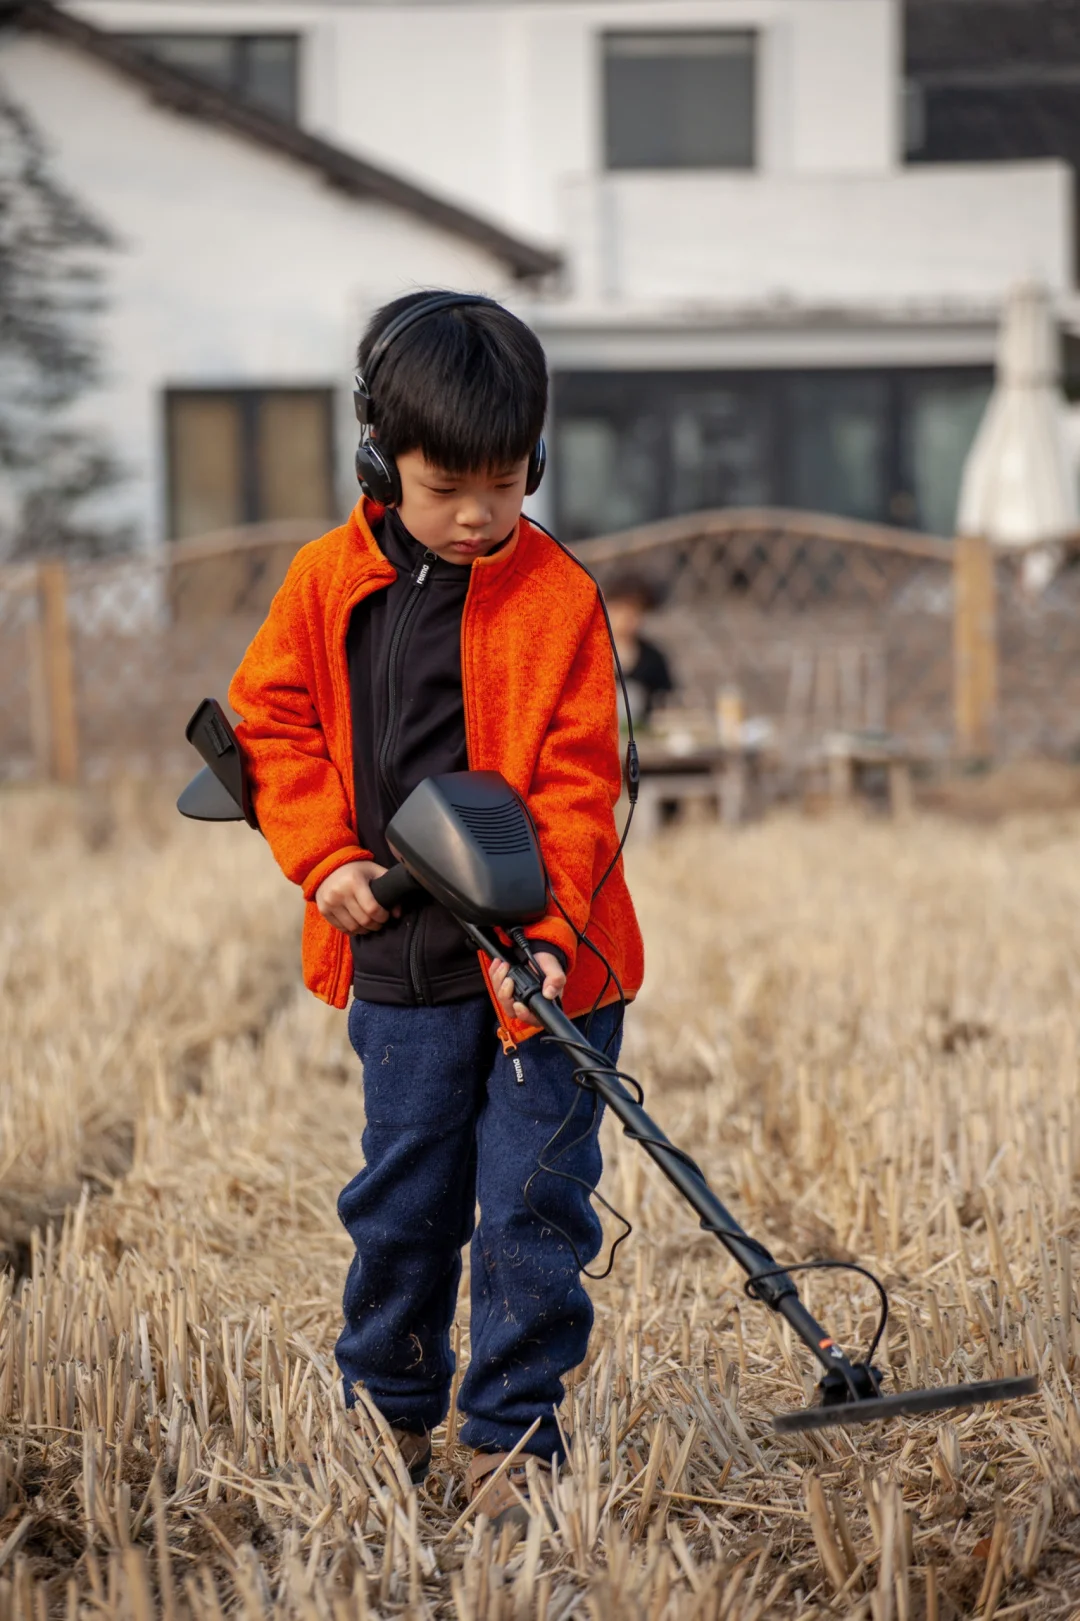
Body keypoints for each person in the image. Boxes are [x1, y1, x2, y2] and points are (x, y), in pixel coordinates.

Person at [228, 291, 644, 1530]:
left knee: (532, 1206)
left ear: (538, 466)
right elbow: (270, 727)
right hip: (400, 953)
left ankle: (512, 1442)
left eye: (506, 485)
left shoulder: (557, 595)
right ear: (378, 460)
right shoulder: (323, 584)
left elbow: (580, 787)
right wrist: (323, 860)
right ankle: (389, 1419)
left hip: (547, 964)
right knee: (404, 1198)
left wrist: (552, 941)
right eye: (444, 485)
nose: (478, 516)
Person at [603, 572, 674, 726]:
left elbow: (666, 702)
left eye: (634, 611)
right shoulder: (592, 656)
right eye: (620, 609)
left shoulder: (652, 659)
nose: (626, 618)